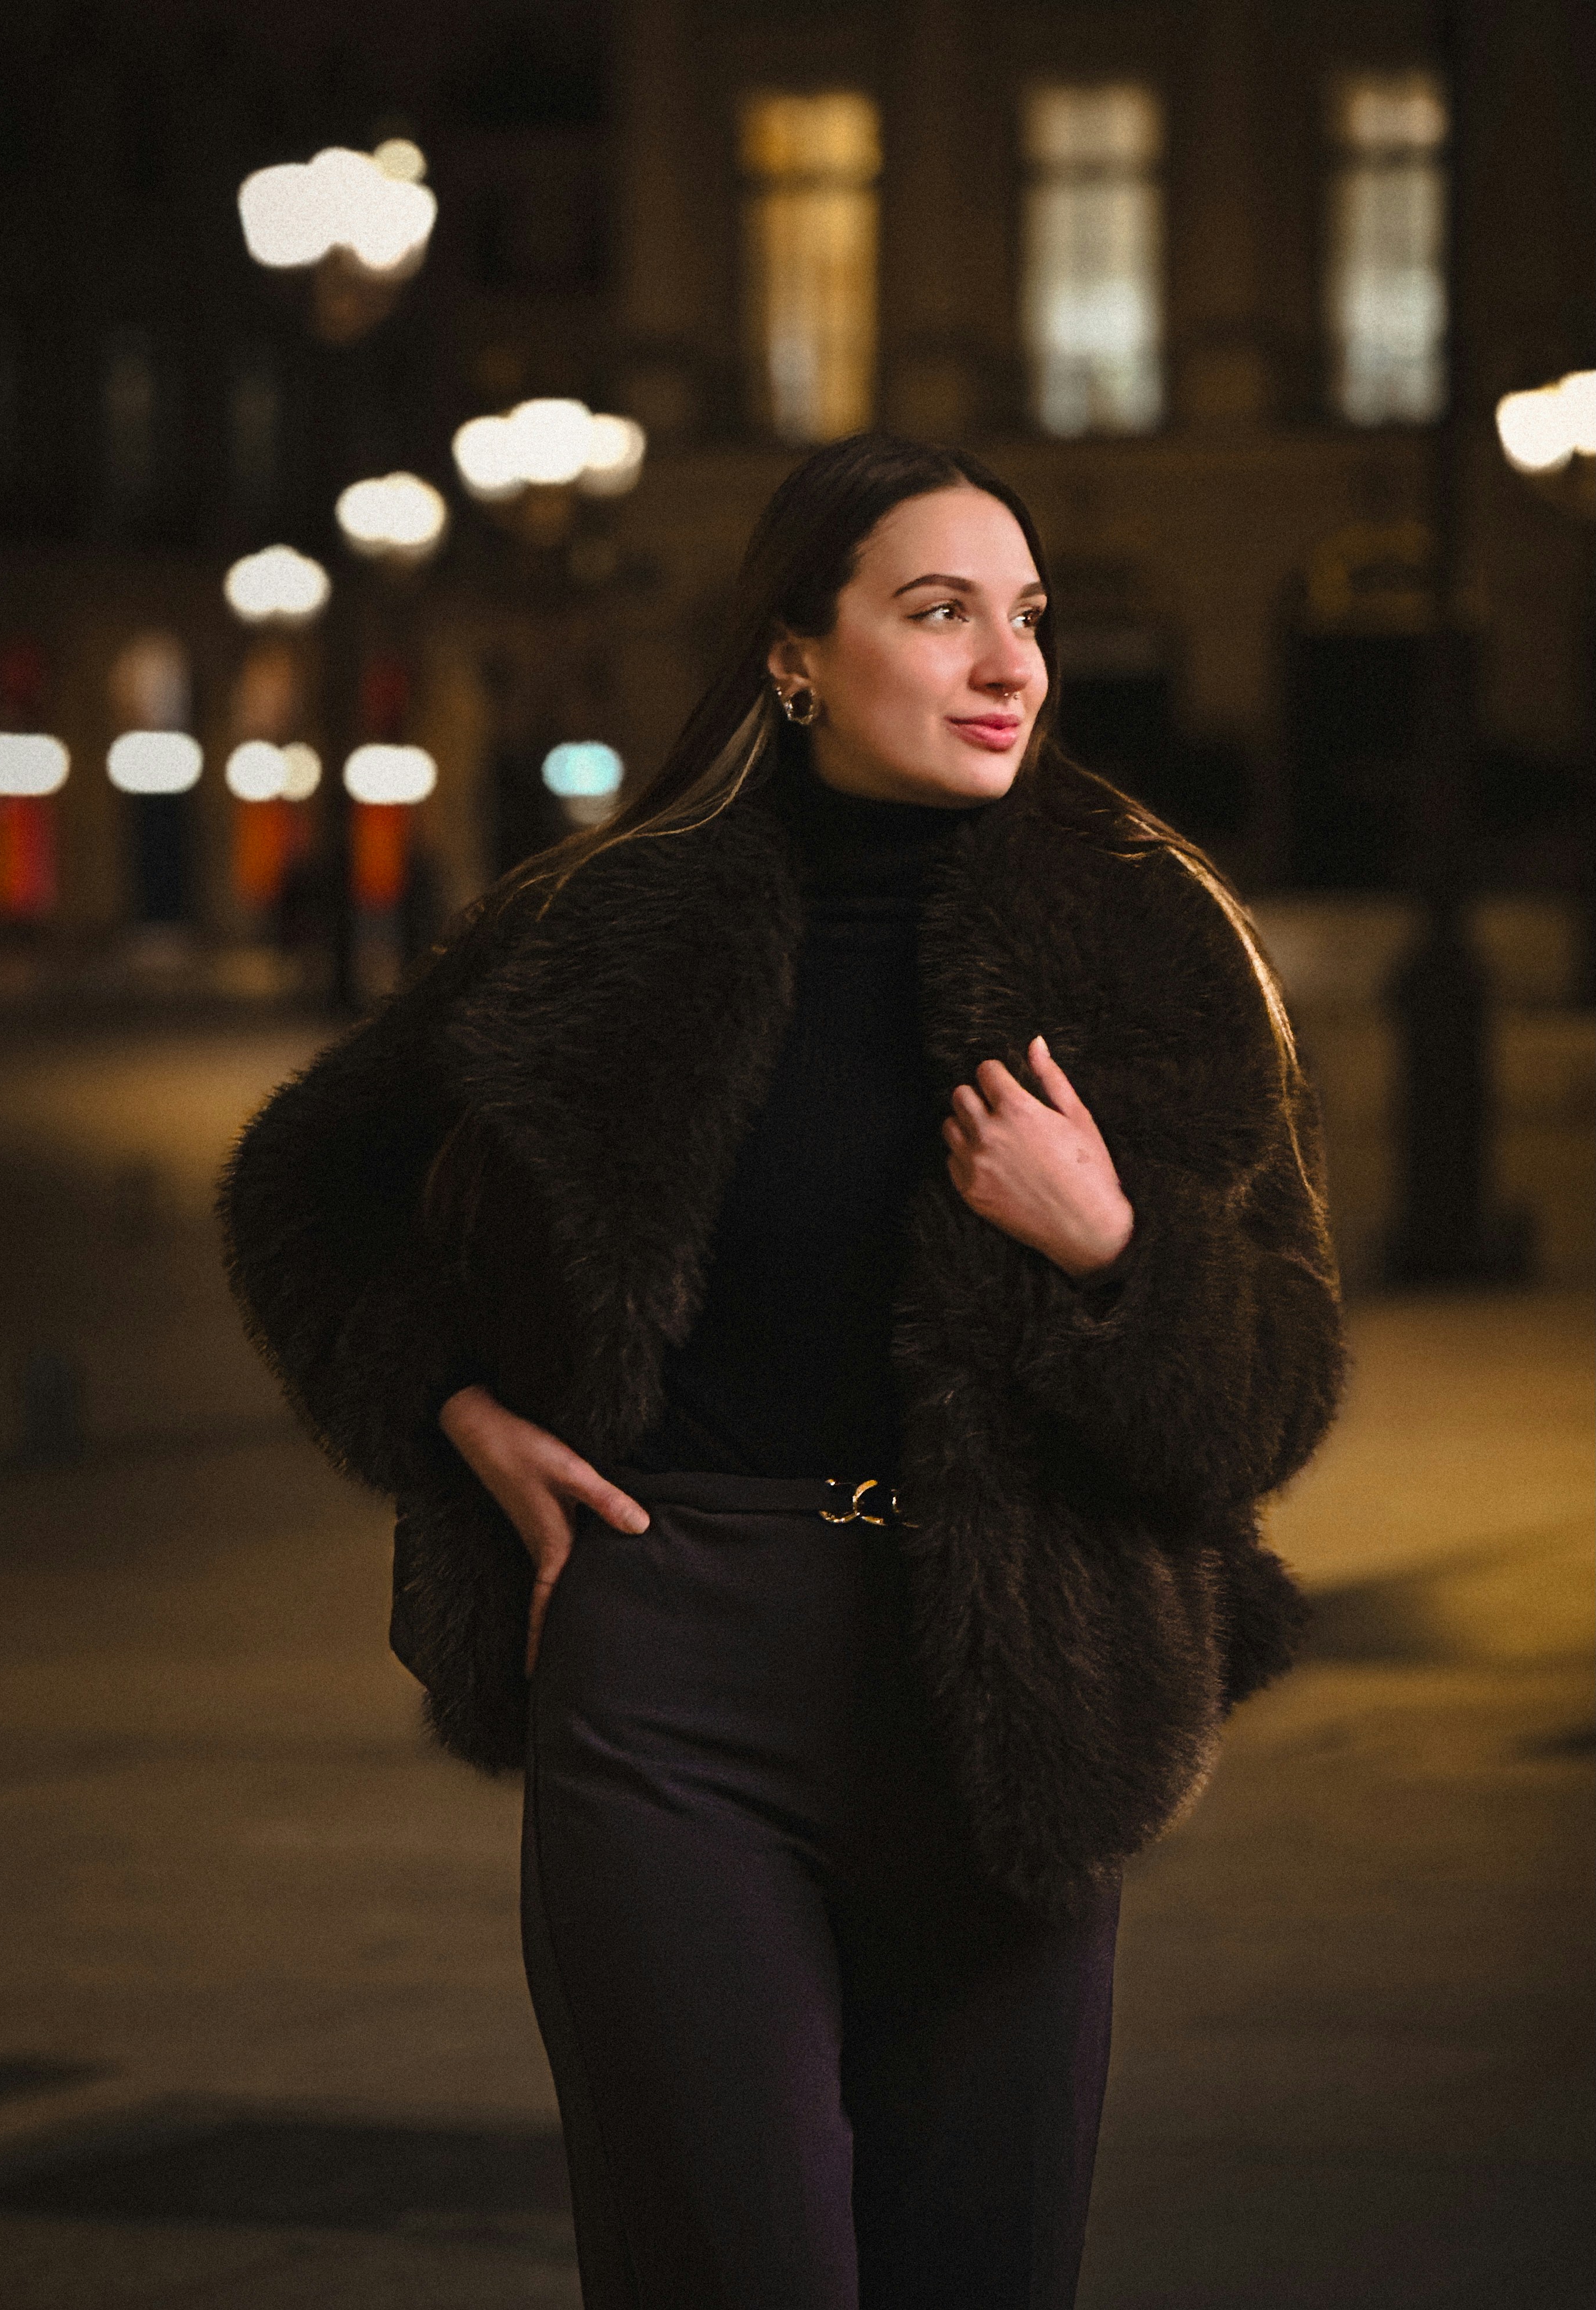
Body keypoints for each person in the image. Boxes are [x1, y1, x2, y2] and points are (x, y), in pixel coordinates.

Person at [219, 433, 1347, 2309]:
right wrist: (455, 1414)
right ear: (792, 654)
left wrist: (1112, 1248)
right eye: (938, 612)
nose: (1010, 666)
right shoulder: (598, 929)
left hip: (1019, 1694)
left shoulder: (1158, 941)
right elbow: (304, 1189)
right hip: (672, 1671)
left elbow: (1273, 1392)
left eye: (1027, 618)